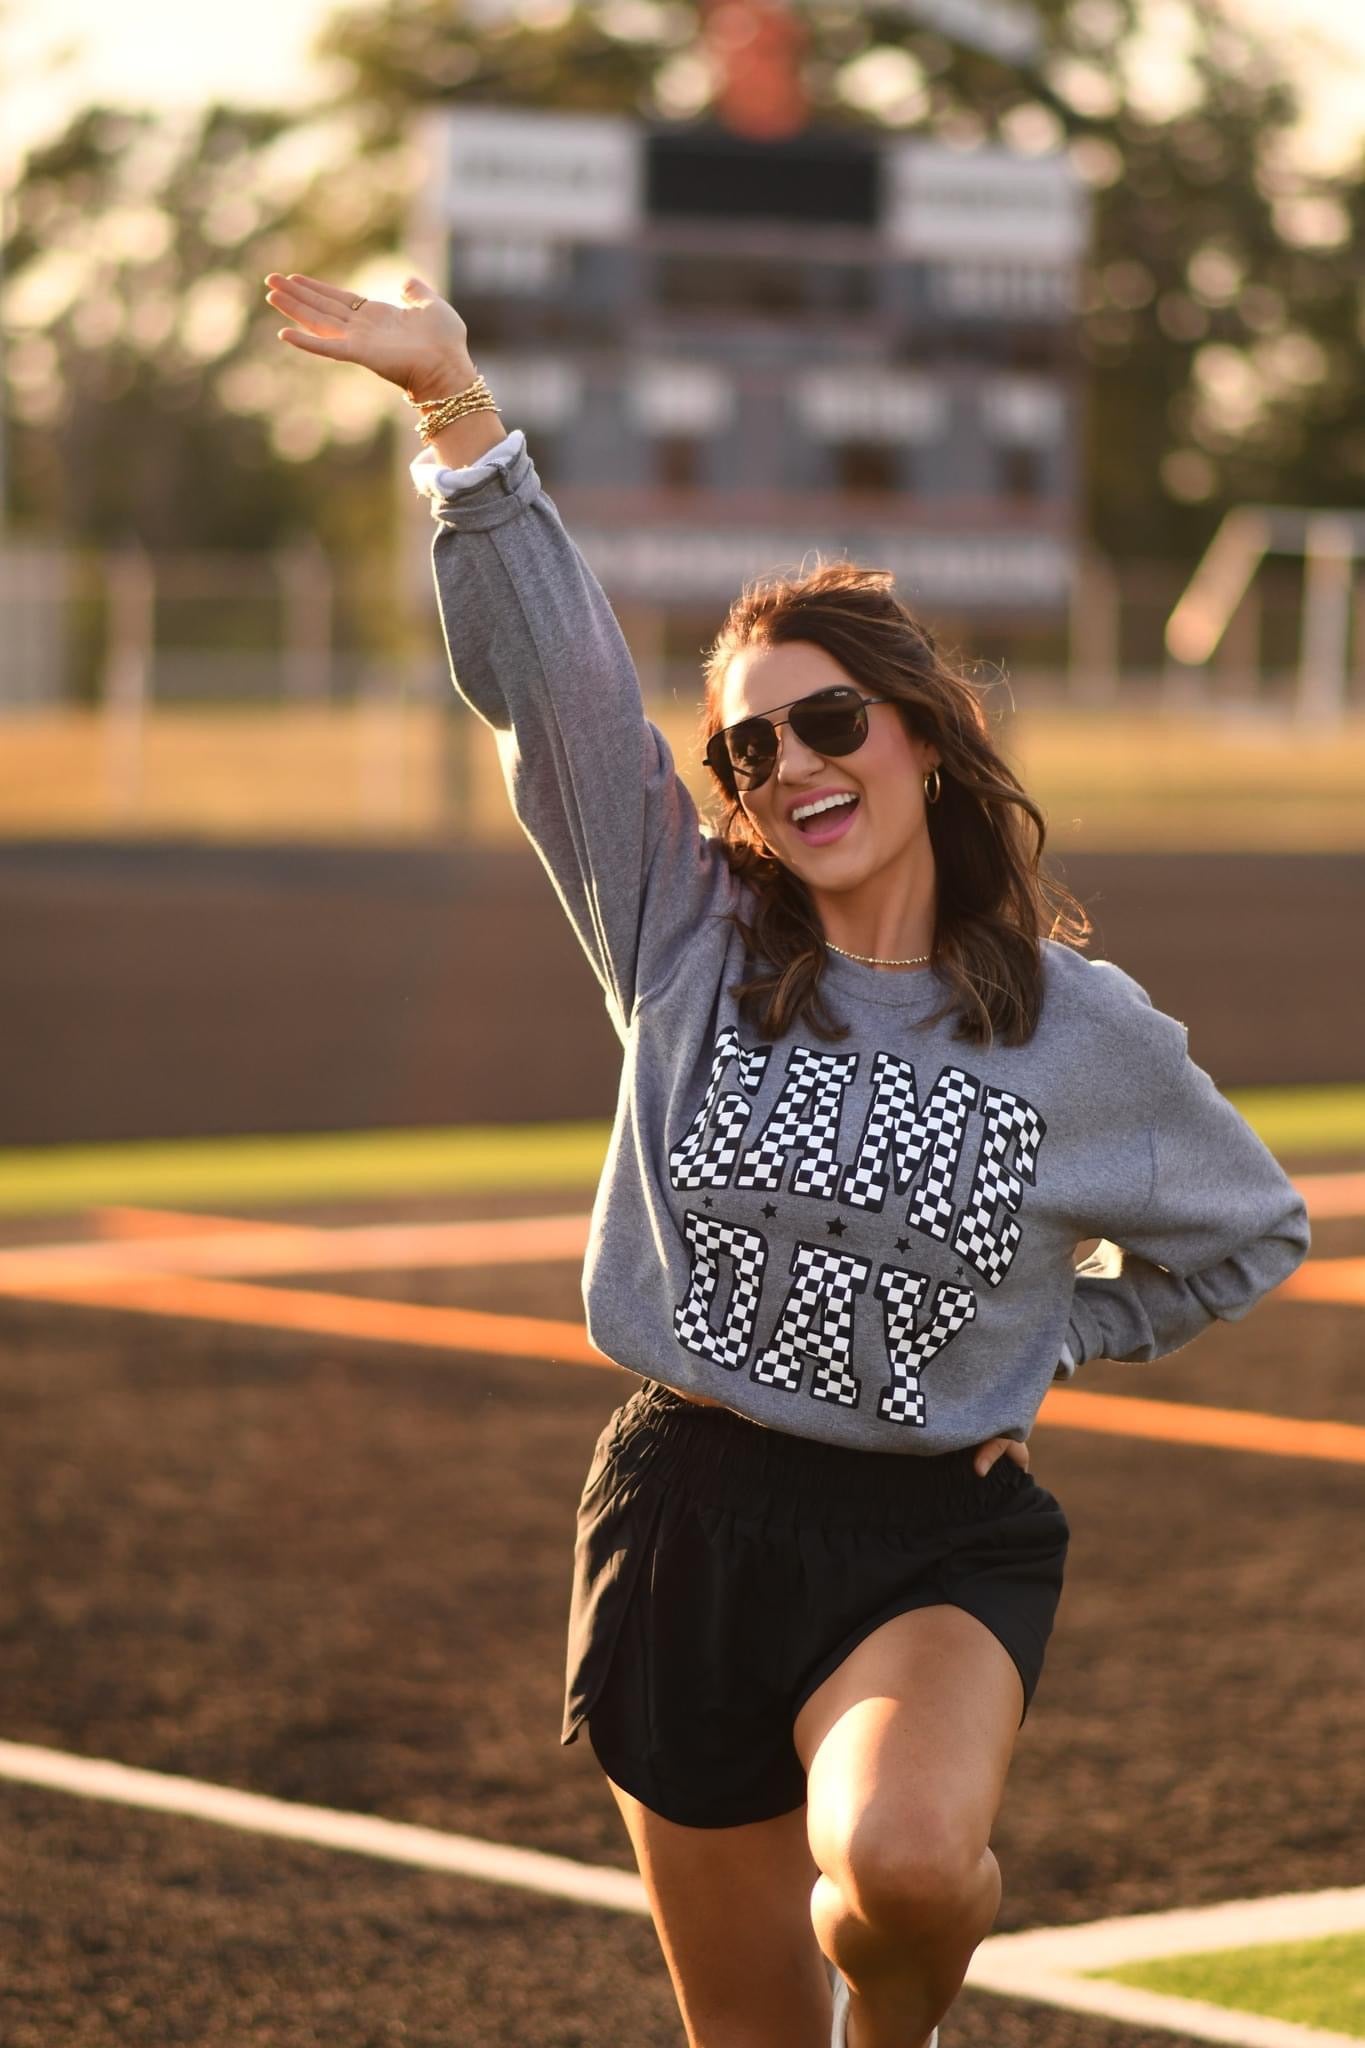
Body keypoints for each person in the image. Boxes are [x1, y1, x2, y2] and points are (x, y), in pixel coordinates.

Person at [263, 270, 1312, 2048]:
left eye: (831, 720)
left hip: (930, 1543)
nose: (792, 763)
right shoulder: (684, 938)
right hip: (688, 1516)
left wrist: (1047, 1341)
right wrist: (457, 416)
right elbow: (567, 701)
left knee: (903, 1871)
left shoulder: (1086, 1032)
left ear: (919, 732)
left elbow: (1247, 1236)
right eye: (752, 746)